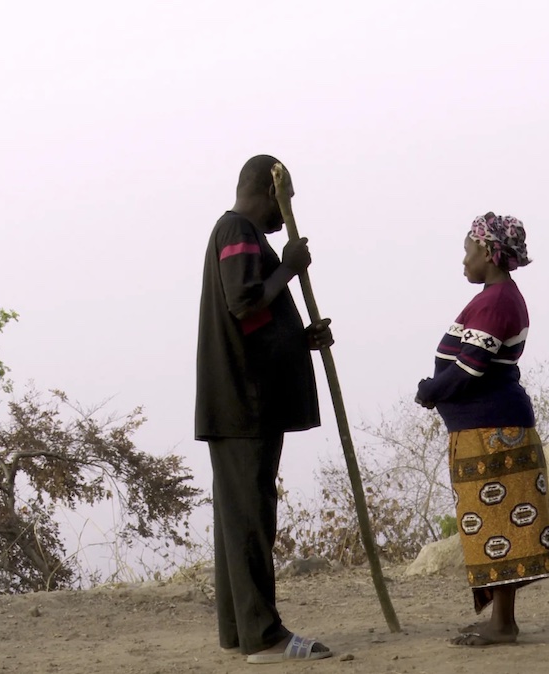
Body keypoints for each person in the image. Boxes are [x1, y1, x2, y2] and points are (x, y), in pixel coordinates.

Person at [195, 154, 334, 664]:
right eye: (287, 198)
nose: (287, 211)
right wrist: (291, 270)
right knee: (251, 519)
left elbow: (257, 324)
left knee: (242, 518)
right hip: (242, 402)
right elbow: (245, 301)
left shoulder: (246, 237)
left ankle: (240, 633)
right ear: (268, 190)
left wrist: (302, 339)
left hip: (242, 403)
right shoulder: (237, 229)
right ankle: (265, 637)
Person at [414, 212, 549, 647]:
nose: (463, 261)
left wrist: (430, 390)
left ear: (486, 252)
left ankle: (503, 625)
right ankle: (501, 621)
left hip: (493, 430)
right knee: (493, 527)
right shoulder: (495, 297)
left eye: (467, 251)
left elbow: (470, 367)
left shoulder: (498, 301)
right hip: (486, 428)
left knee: (499, 526)